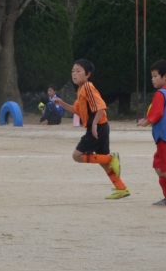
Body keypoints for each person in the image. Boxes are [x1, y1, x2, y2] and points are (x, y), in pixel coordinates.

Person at [52, 59, 129, 199]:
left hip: (98, 127)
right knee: (102, 161)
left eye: (78, 71)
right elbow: (77, 110)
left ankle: (111, 158)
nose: (74, 74)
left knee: (77, 156)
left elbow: (101, 106)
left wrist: (93, 125)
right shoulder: (81, 89)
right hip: (101, 126)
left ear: (88, 74)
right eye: (73, 71)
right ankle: (121, 188)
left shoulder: (87, 87)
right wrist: (62, 104)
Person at [135, 61, 166, 207]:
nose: (153, 79)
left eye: (155, 76)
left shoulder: (161, 93)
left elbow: (156, 113)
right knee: (159, 167)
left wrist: (145, 121)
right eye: (152, 76)